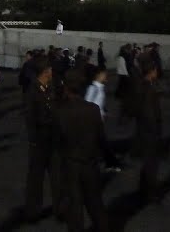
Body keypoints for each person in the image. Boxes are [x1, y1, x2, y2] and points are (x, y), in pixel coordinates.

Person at [56, 75, 111, 232]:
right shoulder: (93, 109)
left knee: (74, 206)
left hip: (71, 163)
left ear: (66, 89)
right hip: (90, 162)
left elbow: (56, 139)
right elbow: (101, 138)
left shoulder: (60, 111)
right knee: (95, 204)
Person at [25, 55, 62, 223]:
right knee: (36, 179)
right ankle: (33, 212)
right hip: (39, 141)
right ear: (46, 71)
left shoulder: (53, 87)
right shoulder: (32, 90)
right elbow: (31, 118)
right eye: (50, 69)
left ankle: (60, 210)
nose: (52, 71)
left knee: (57, 177)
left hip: (53, 140)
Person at [135, 59, 164, 201]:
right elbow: (149, 112)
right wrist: (155, 133)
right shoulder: (148, 88)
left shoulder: (143, 85)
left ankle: (143, 188)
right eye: (156, 70)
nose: (157, 72)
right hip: (149, 132)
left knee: (148, 163)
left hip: (144, 131)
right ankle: (151, 193)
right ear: (151, 72)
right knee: (151, 163)